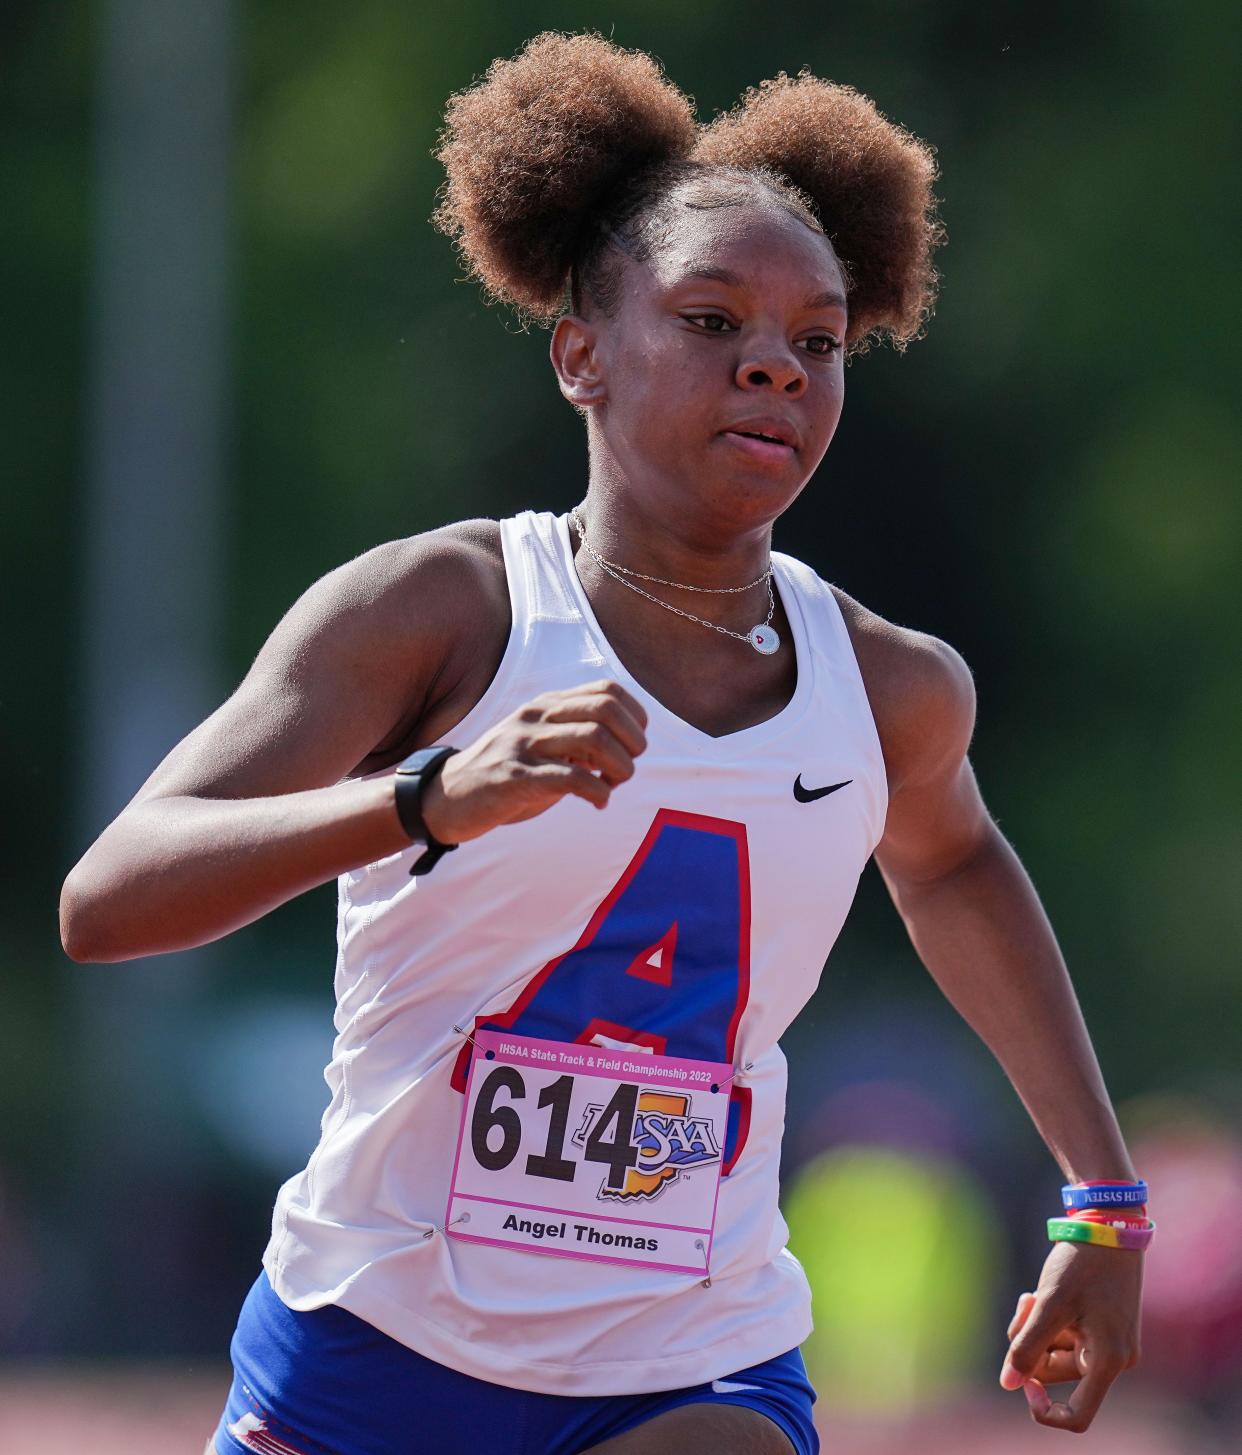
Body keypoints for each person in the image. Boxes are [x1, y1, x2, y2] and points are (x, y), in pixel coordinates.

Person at [60, 32, 1145, 1455]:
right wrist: (427, 800)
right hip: (376, 1343)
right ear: (580, 355)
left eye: (815, 341)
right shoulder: (438, 611)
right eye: (710, 322)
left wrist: (1101, 1200)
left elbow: (950, 868)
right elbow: (112, 898)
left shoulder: (887, 687)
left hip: (693, 1350)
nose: (771, 365)